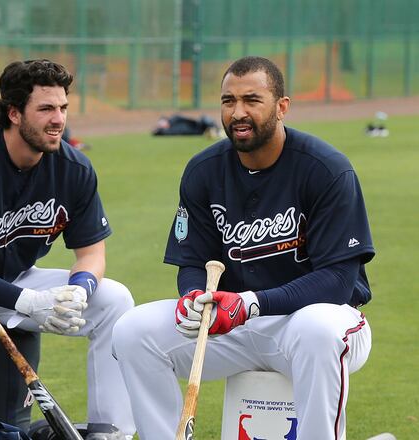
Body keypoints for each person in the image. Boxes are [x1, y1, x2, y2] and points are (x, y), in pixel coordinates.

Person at [111, 56, 374, 439]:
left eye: (252, 100)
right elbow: (192, 262)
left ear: (282, 107)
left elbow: (336, 282)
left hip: (313, 323)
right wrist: (192, 297)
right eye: (228, 101)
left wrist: (253, 303)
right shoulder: (203, 171)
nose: (238, 112)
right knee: (134, 331)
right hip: (234, 323)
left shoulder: (326, 169)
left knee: (317, 329)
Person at [0, 59, 136, 436]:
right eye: (46, 109)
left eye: (63, 108)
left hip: (20, 284)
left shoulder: (75, 168)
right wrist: (25, 301)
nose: (59, 119)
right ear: (14, 113)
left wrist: (79, 290)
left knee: (115, 301)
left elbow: (91, 253)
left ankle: (110, 430)